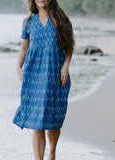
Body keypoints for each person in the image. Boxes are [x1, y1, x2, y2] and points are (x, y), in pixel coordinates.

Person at [12, 0, 75, 159]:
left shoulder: (61, 20)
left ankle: (52, 153)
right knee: (37, 122)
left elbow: (69, 47)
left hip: (55, 75)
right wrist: (18, 67)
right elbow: (24, 48)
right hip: (34, 76)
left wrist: (66, 66)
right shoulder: (28, 22)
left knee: (53, 121)